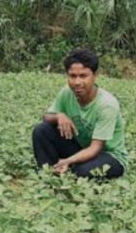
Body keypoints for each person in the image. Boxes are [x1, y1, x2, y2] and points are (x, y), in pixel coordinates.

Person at [32, 48, 127, 178]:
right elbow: (46, 117)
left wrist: (68, 160)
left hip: (108, 155)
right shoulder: (67, 93)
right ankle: (49, 172)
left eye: (83, 76)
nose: (77, 82)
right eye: (72, 76)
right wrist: (59, 116)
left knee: (82, 172)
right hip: (80, 148)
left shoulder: (107, 105)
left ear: (95, 75)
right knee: (41, 130)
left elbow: (96, 148)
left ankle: (67, 166)